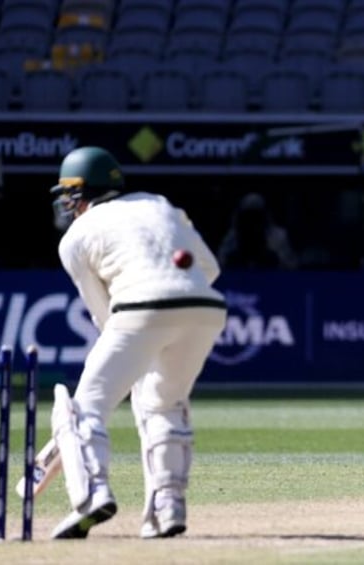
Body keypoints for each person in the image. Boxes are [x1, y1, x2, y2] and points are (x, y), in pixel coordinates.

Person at [47, 146, 227, 538]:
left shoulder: (75, 236)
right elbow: (209, 268)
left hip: (138, 308)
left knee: (82, 407)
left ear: (80, 193)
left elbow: (104, 316)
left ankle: (91, 493)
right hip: (206, 307)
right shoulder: (160, 204)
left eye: (67, 193)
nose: (65, 202)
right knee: (164, 404)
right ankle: (168, 507)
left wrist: (136, 354)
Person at [217, 191, 298, 270]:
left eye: (256, 216)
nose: (252, 221)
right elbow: (220, 263)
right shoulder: (232, 236)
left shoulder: (280, 236)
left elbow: (291, 266)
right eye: (249, 216)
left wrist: (273, 259)